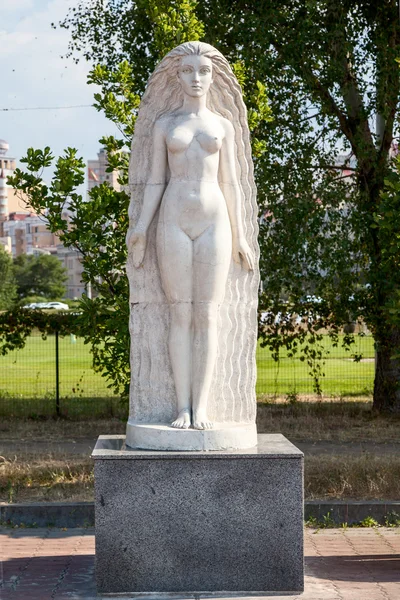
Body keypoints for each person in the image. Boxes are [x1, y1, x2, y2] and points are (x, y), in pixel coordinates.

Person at [127, 41, 256, 430]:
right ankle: (181, 407)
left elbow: (232, 183)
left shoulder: (223, 126)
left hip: (215, 221)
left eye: (203, 71)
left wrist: (241, 235)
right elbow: (153, 182)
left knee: (208, 314)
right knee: (179, 314)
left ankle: (203, 407)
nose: (196, 78)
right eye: (188, 71)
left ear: (214, 76)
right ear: (176, 76)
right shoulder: (164, 125)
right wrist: (140, 228)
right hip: (172, 221)